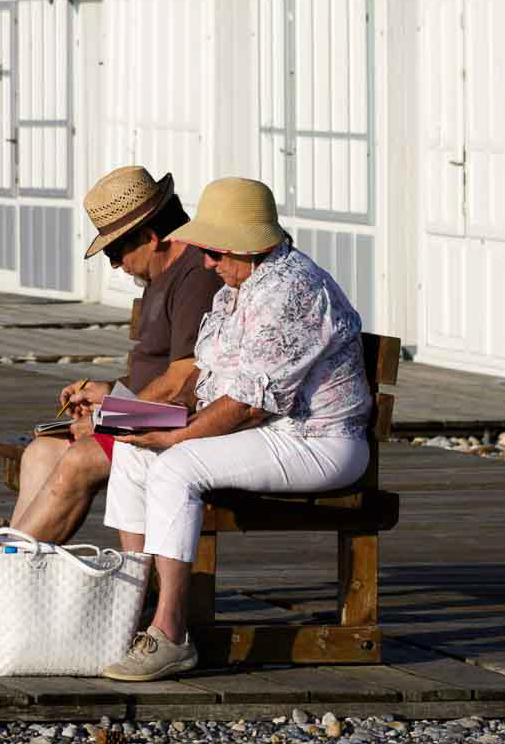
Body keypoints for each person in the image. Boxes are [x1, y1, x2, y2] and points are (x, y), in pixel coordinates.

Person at [0, 165, 224, 647]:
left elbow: (184, 383)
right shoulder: (162, 273)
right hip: (149, 411)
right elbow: (157, 373)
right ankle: (6, 589)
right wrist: (107, 393)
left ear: (151, 236)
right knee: (41, 453)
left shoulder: (194, 275)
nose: (115, 265)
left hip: (186, 422)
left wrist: (112, 414)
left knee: (77, 461)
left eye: (116, 250)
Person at [97, 177, 374, 681]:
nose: (207, 262)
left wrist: (175, 436)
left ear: (251, 245)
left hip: (319, 440)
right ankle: (131, 608)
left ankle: (170, 634)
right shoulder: (241, 284)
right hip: (273, 430)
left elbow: (249, 406)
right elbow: (208, 379)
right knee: (130, 448)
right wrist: (128, 414)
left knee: (176, 466)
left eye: (216, 251)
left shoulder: (290, 290)